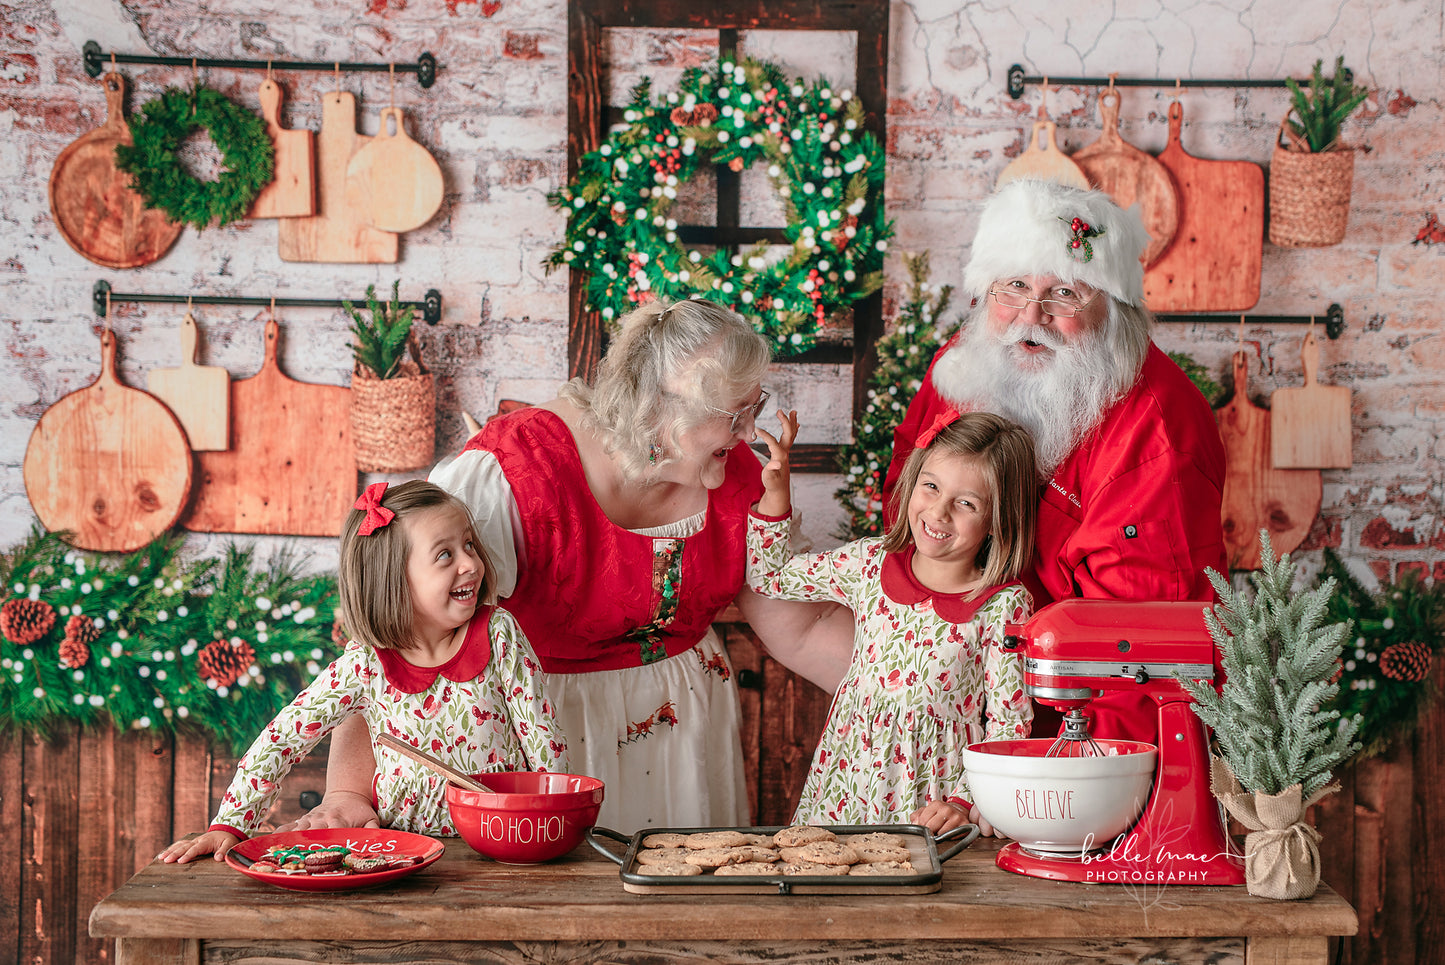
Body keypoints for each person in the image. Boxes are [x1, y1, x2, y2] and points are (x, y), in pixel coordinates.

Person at [745, 177, 1227, 748]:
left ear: (1115, 308)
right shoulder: (965, 360)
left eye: (1066, 294)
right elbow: (908, 488)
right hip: (961, 693)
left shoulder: (1157, 438)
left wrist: (1071, 792)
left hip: (1073, 717)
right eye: (1014, 286)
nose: (1032, 315)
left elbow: (1134, 655)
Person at [298, 299, 774, 832]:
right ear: (662, 409)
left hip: (686, 736)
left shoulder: (735, 474)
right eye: (735, 416)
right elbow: (398, 638)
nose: (751, 432)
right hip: (548, 738)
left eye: (755, 408)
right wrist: (345, 789)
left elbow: (804, 625)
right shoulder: (515, 471)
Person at [158, 480, 567, 863]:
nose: (471, 564)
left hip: (502, 852)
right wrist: (232, 823)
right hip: (403, 857)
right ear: (393, 580)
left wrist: (555, 825)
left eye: (469, 545)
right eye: (446, 555)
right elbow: (282, 738)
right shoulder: (366, 664)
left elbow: (544, 739)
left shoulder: (499, 634)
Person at [746, 407, 1036, 835]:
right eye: (931, 487)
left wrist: (962, 801)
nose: (938, 513)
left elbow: (1009, 723)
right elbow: (770, 577)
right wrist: (777, 492)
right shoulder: (870, 563)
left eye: (966, 503)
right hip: (844, 788)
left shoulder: (1003, 606)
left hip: (931, 804)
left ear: (998, 518)